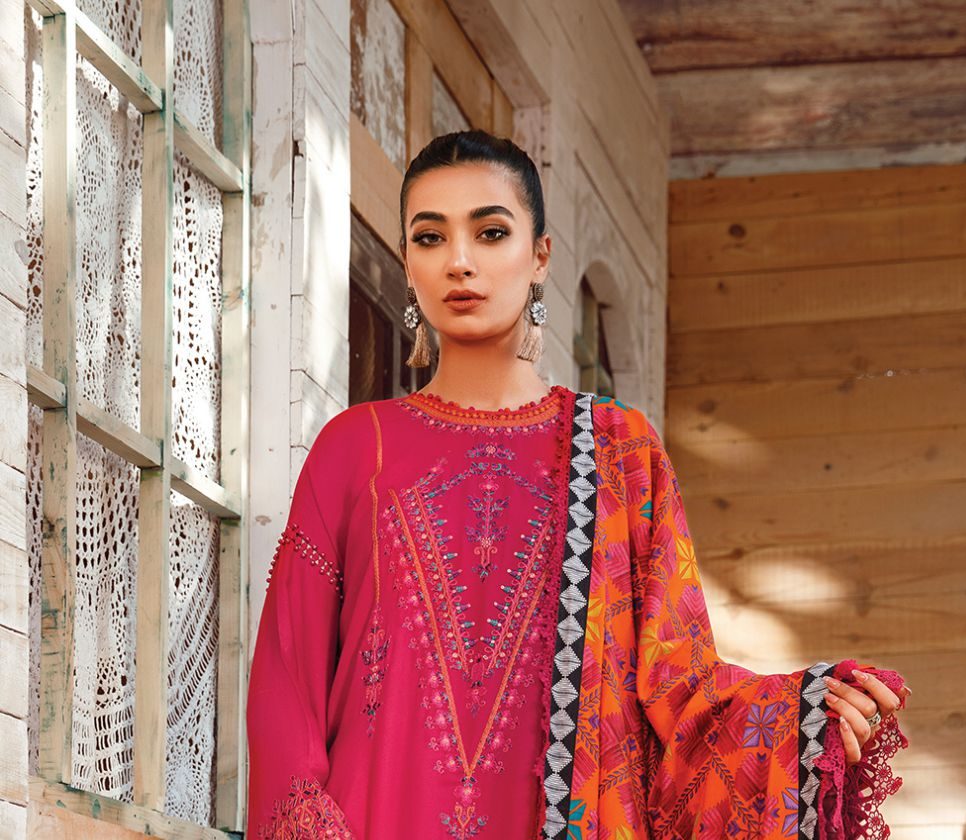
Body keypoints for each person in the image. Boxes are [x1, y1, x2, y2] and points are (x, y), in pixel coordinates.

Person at [245, 130, 911, 840]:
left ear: (540, 256)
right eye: (430, 238)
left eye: (490, 232)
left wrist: (804, 721)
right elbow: (286, 685)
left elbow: (681, 693)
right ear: (408, 263)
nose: (459, 261)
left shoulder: (622, 452)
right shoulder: (356, 447)